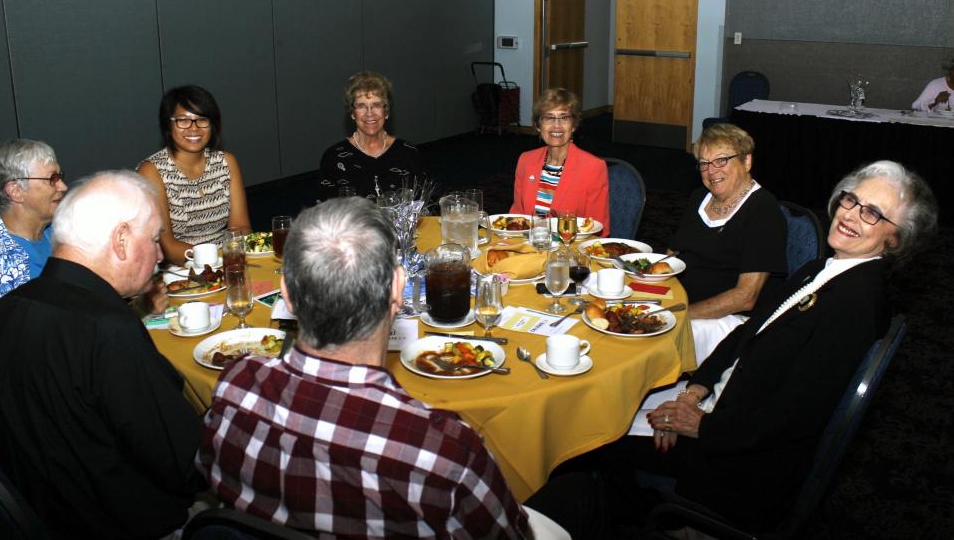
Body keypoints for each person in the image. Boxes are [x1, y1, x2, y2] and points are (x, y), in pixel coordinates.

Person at [198, 198, 602, 538]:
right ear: (397, 289)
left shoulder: (236, 388)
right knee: (583, 488)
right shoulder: (441, 452)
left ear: (286, 293)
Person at [604, 160, 937, 532]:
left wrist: (700, 426)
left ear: (895, 240)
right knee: (617, 403)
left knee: (599, 441)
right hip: (722, 405)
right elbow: (746, 334)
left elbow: (797, 413)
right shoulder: (820, 269)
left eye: (872, 213)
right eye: (851, 200)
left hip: (737, 460)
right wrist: (692, 392)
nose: (851, 215)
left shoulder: (855, 306)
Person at [0, 171, 205, 539]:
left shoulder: (5, 310)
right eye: (154, 239)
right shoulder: (108, 330)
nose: (161, 254)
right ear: (121, 239)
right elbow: (187, 464)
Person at [670, 123, 786, 360]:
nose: (712, 171)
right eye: (704, 163)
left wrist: (679, 314)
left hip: (727, 322)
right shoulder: (699, 198)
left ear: (746, 162)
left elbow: (745, 297)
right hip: (682, 303)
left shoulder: (763, 210)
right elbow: (674, 255)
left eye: (722, 160)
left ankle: (685, 395)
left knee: (652, 342)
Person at [138, 85, 250, 265]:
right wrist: (216, 261)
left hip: (227, 260)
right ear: (168, 124)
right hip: (181, 269)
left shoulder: (226, 162)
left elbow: (241, 227)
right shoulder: (152, 171)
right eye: (183, 120)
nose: (194, 128)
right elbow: (167, 246)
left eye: (202, 120)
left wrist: (232, 258)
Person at [0, 139, 68, 322]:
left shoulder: (56, 230)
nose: (63, 187)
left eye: (60, 177)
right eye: (52, 179)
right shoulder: (0, 267)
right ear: (16, 191)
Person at [510, 88, 610, 236]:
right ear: (538, 125)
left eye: (564, 118)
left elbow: (600, 229)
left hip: (568, 251)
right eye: (549, 118)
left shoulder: (593, 167)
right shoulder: (526, 160)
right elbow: (517, 217)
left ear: (574, 125)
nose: (556, 125)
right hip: (528, 246)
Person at [318, 70, 422, 201]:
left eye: (376, 105)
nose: (369, 113)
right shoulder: (334, 158)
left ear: (386, 111)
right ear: (352, 113)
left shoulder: (408, 152)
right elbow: (327, 214)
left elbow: (424, 207)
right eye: (361, 106)